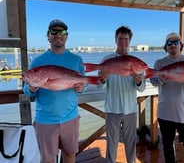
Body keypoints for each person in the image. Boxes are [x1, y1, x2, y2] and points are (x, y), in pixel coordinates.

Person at [23, 19, 84, 163]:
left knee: (70, 155)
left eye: (62, 32)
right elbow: (26, 90)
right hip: (45, 121)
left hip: (71, 118)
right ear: (48, 35)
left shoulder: (76, 60)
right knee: (48, 160)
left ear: (66, 36)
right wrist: (31, 88)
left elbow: (81, 87)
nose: (58, 35)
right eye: (54, 31)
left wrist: (81, 88)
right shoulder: (37, 62)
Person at [150, 32, 184, 163]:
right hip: (165, 113)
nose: (173, 45)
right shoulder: (159, 63)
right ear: (166, 47)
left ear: (181, 45)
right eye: (169, 43)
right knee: (168, 147)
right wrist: (161, 80)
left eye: (176, 42)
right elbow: (153, 81)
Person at [99, 26, 146, 163]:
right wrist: (103, 78)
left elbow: (142, 88)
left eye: (126, 39)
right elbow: (101, 86)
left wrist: (138, 81)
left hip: (130, 109)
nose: (123, 42)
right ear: (115, 40)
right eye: (120, 39)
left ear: (130, 41)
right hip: (112, 108)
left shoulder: (136, 62)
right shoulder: (106, 60)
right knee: (111, 143)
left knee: (131, 142)